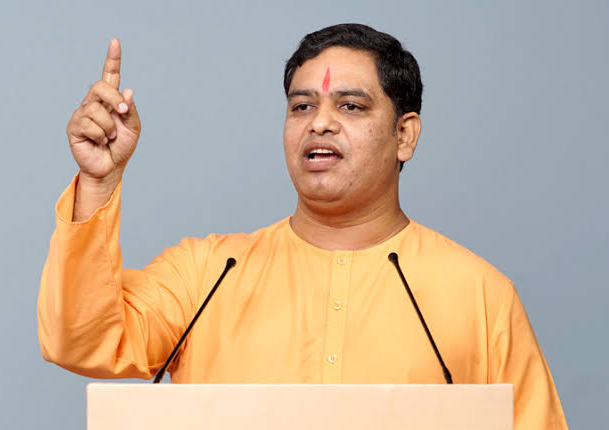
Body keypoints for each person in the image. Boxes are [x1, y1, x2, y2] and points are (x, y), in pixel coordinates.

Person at [38, 24, 568, 429]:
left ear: (404, 136)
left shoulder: (480, 295)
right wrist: (99, 183)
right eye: (302, 106)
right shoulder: (207, 274)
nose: (320, 122)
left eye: (351, 106)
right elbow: (80, 342)